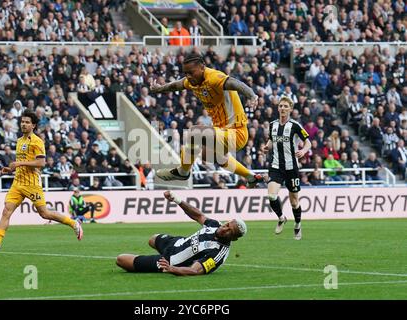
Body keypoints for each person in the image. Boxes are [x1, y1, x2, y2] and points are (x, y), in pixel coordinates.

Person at [150, 53, 262, 187]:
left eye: (191, 73)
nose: (188, 76)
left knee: (195, 133)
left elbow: (234, 82)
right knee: (209, 156)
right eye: (186, 73)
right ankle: (251, 177)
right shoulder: (192, 81)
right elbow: (177, 85)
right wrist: (159, 89)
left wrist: (252, 95)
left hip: (236, 133)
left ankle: (183, 171)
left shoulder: (214, 77)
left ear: (202, 67)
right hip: (220, 131)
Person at [0, 110, 83, 249]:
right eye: (22, 121)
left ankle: (73, 223)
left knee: (44, 213)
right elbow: (22, 161)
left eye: (27, 122)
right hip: (18, 183)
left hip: (32, 183)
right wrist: (11, 168)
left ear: (33, 125)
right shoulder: (19, 140)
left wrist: (19, 164)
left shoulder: (37, 141)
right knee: (6, 211)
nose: (23, 124)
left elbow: (41, 163)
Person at [116, 190, 247, 275]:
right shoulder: (215, 225)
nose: (225, 228)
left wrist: (172, 269)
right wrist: (177, 200)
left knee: (121, 259)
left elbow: (195, 271)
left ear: (234, 239)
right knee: (152, 239)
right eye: (227, 225)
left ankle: (154, 262)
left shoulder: (218, 253)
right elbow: (198, 216)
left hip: (170, 260)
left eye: (230, 231)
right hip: (176, 243)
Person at [262, 97, 312, 240]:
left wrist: (303, 151)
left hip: (291, 168)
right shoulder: (273, 125)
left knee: (294, 202)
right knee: (271, 195)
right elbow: (271, 140)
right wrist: (267, 147)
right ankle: (281, 217)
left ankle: (297, 225)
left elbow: (308, 143)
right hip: (276, 166)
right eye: (280, 106)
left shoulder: (295, 125)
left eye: (285, 106)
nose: (282, 108)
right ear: (278, 108)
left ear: (290, 109)